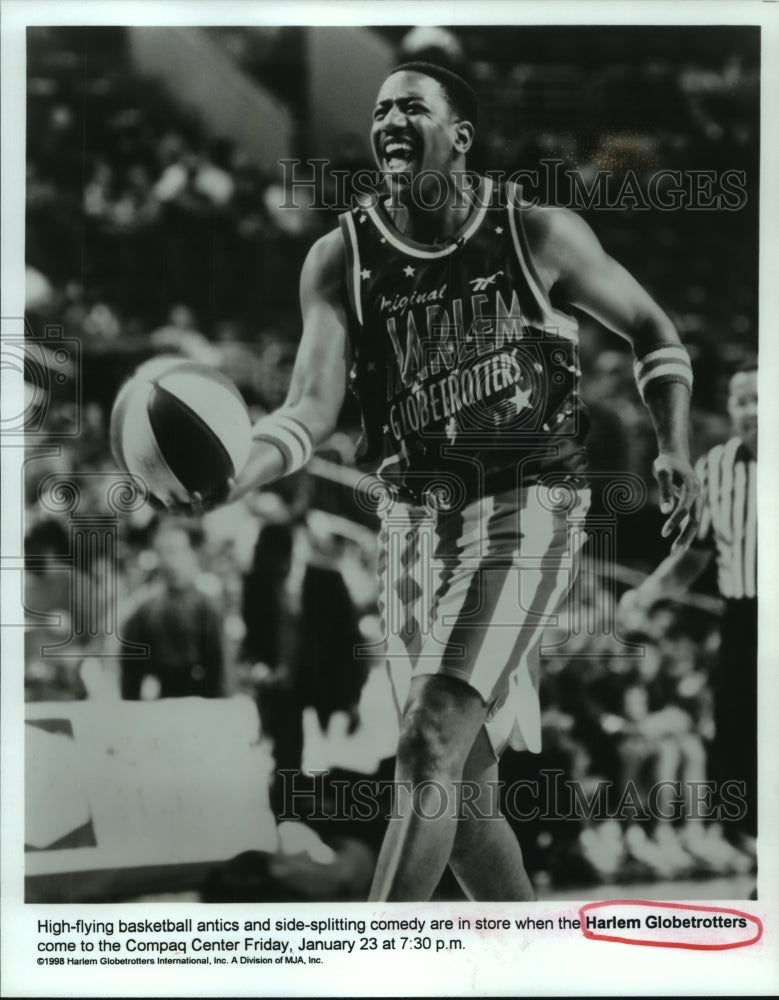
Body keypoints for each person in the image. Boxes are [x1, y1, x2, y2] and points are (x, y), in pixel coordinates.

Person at [226, 62, 699, 902]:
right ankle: (531, 967)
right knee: (461, 796)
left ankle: (377, 969)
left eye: (412, 106)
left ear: (462, 136)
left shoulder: (534, 229)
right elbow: (308, 406)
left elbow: (651, 327)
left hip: (527, 506)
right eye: (379, 110)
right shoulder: (340, 257)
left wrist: (673, 446)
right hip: (412, 525)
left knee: (426, 745)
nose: (389, 120)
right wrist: (238, 469)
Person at [619, 364, 757, 853]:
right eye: (742, 400)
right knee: (739, 746)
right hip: (743, 619)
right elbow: (693, 556)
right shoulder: (715, 467)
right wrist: (647, 593)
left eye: (761, 398)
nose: (752, 410)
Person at [120, 520, 226, 700]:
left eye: (177, 552)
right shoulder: (146, 610)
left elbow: (219, 667)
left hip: (198, 699)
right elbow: (131, 673)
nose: (171, 561)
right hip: (159, 699)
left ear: (192, 553)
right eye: (164, 553)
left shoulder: (205, 606)